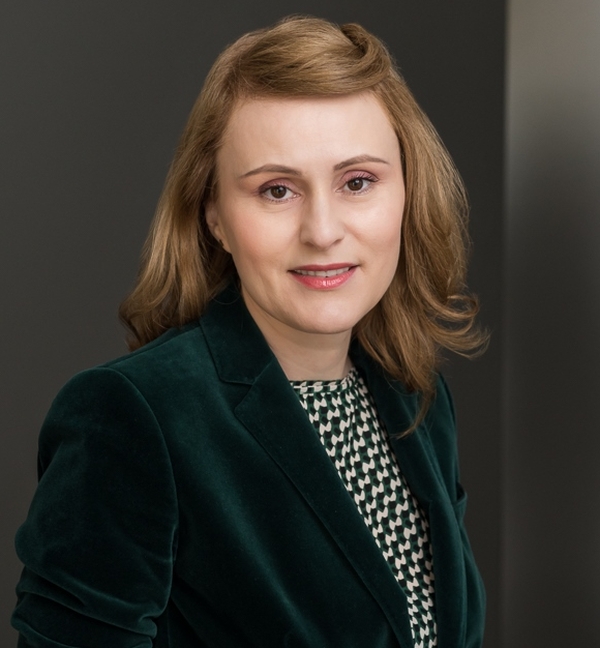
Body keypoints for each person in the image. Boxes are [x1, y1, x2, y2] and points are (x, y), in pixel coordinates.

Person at [12, 15, 487, 648]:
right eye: (277, 190)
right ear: (214, 215)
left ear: (407, 193)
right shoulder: (131, 417)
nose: (323, 231)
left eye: (357, 182)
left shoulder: (417, 398)